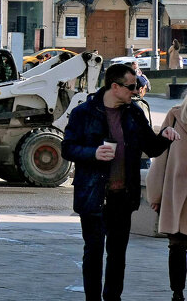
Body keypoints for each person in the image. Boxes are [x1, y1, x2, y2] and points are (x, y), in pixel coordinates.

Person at [63, 62, 179, 301]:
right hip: (93, 195)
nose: (136, 91)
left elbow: (152, 147)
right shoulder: (83, 113)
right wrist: (92, 153)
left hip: (122, 197)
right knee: (93, 253)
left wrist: (165, 135)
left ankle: (113, 298)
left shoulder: (134, 113)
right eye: (131, 87)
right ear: (114, 86)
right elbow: (67, 148)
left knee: (117, 255)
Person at [147, 87, 187, 301]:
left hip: (175, 192)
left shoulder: (175, 114)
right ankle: (178, 293)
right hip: (176, 191)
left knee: (177, 245)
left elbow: (160, 159)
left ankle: (177, 293)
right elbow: (161, 154)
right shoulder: (174, 115)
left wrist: (156, 194)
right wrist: (155, 194)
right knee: (177, 246)